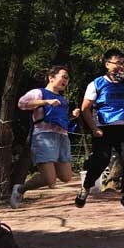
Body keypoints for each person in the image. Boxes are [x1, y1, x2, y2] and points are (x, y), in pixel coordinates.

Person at [76, 48, 124, 214]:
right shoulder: (96, 83)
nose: (121, 66)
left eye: (123, 63)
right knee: (101, 159)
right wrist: (94, 128)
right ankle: (86, 187)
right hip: (103, 129)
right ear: (107, 64)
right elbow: (85, 108)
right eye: (117, 63)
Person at [12, 66, 75, 208]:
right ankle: (20, 189)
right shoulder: (39, 92)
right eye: (63, 77)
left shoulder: (62, 99)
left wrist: (72, 116)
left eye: (67, 78)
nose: (66, 81)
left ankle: (25, 186)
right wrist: (45, 101)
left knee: (66, 177)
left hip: (62, 137)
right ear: (51, 77)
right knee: (49, 180)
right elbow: (21, 103)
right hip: (44, 136)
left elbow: (60, 119)